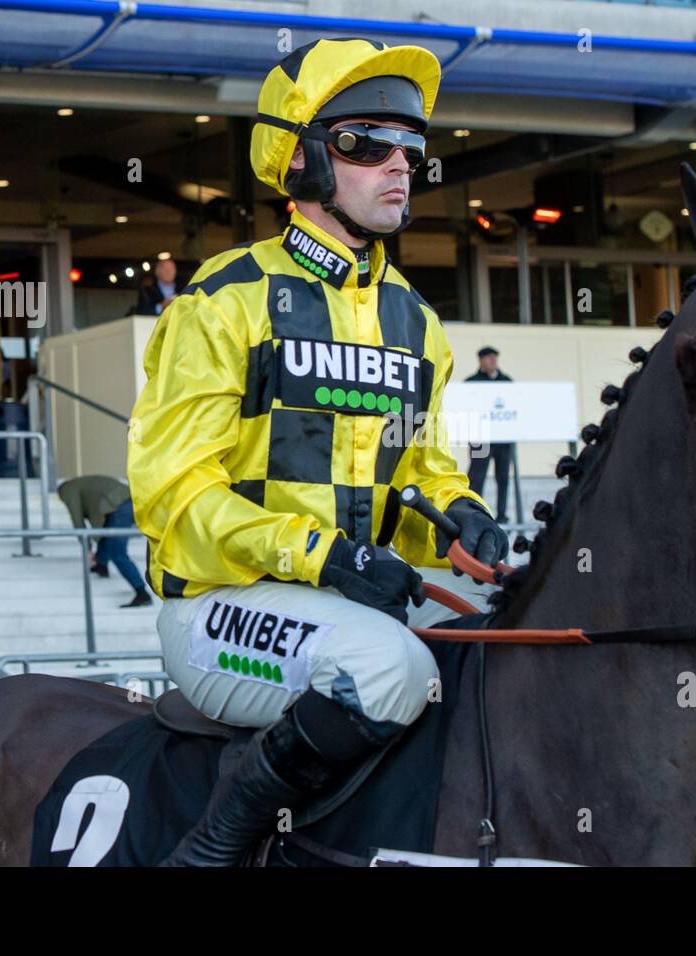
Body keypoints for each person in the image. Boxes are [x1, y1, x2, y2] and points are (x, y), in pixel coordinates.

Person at [127, 37, 509, 867]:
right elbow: (175, 496)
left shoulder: (418, 322)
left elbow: (419, 474)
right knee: (389, 671)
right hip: (218, 614)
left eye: (410, 147)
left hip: (345, 608)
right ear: (299, 160)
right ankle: (217, 841)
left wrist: (459, 518)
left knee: (510, 649)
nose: (397, 165)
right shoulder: (223, 302)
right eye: (363, 144)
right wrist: (321, 555)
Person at [57, 475, 151, 608]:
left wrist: (87, 549)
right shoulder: (80, 484)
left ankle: (142, 593)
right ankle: (101, 564)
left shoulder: (67, 490)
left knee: (117, 552)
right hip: (129, 501)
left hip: (118, 506)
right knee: (107, 537)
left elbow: (77, 519)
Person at [464, 345, 515, 523]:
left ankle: (502, 514)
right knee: (476, 477)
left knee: (503, 477)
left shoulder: (507, 381)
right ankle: (474, 512)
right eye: (489, 357)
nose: (492, 360)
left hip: (503, 438)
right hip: (481, 438)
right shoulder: (471, 383)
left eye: (495, 357)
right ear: (481, 360)